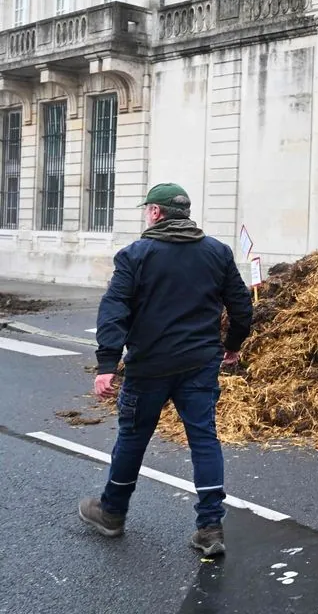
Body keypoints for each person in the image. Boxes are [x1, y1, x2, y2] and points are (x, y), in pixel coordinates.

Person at [78, 182, 253, 557]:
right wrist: (233, 346)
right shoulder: (217, 253)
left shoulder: (136, 255)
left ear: (156, 213)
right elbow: (241, 306)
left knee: (133, 437)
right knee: (204, 439)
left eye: (148, 210)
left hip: (150, 366)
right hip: (200, 363)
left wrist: (107, 363)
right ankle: (210, 528)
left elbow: (114, 311)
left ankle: (112, 513)